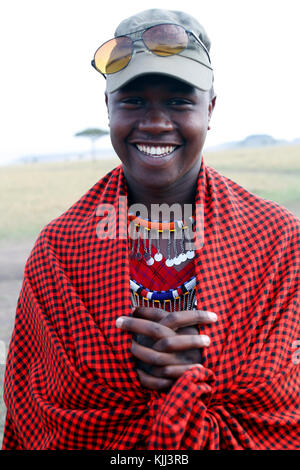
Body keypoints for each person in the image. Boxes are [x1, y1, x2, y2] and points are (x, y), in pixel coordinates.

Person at [2, 9, 299, 450]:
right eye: (133, 100)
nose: (156, 122)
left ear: (210, 108)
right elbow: (37, 409)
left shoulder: (276, 239)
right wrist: (126, 366)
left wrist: (204, 368)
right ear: (108, 108)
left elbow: (283, 410)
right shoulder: (61, 247)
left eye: (179, 101)